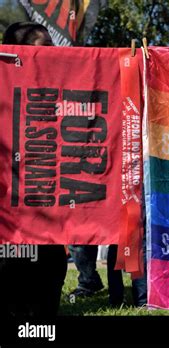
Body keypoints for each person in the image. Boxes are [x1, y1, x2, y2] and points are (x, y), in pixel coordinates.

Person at [0, 22, 67, 317]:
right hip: (9, 238)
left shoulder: (62, 96)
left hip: (48, 234)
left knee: (44, 310)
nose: (51, 59)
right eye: (43, 52)